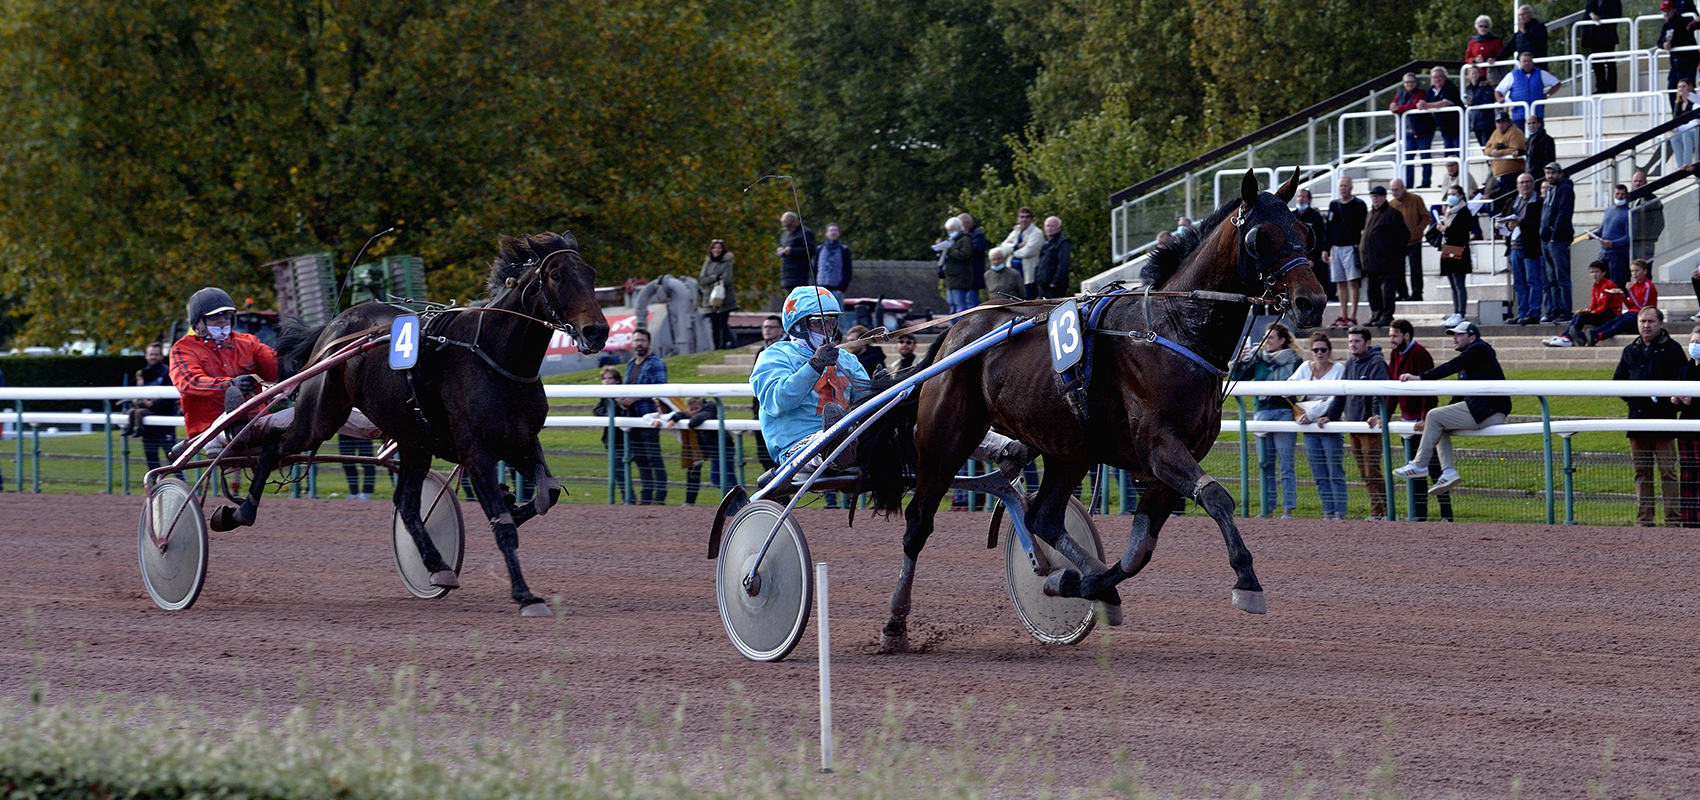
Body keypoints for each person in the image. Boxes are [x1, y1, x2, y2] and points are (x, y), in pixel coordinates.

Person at [751, 286, 1033, 477]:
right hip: (798, 447)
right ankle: (834, 446)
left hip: (858, 439)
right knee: (834, 438)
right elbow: (777, 401)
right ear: (797, 325)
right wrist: (813, 366)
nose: (828, 330)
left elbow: (867, 405)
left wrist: (877, 389)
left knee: (935, 424)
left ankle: (1007, 447)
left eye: (831, 322)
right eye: (818, 323)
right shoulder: (774, 357)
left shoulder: (846, 360)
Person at [1392, 321, 1511, 495]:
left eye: (1459, 335)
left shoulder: (1479, 349)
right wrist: (1445, 411)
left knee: (1434, 416)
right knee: (1439, 421)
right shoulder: (1472, 356)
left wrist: (1421, 378)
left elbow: (1450, 366)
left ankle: (1420, 465)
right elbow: (1459, 394)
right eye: (1453, 335)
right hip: (1486, 411)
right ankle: (1448, 471)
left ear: (1472, 337)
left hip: (1489, 412)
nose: (1454, 338)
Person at [169, 287, 279, 442]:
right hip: (210, 429)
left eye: (227, 315)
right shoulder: (183, 349)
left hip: (256, 419)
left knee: (301, 416)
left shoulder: (248, 342)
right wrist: (230, 385)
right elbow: (189, 382)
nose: (222, 320)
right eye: (214, 317)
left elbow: (275, 368)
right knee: (240, 429)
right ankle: (239, 429)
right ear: (198, 323)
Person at [1615, 306, 1686, 526]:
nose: (1646, 326)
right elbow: (1619, 381)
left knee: (1668, 472)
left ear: (1660, 324)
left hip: (1663, 421)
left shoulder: (1672, 349)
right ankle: (1645, 520)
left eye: (1650, 322)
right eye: (1642, 322)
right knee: (1642, 473)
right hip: (1637, 420)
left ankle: (1673, 520)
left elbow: (1682, 380)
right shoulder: (1630, 350)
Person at [1231, 323, 1302, 518]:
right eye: (1266, 337)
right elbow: (1238, 378)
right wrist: (1239, 360)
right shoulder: (1258, 358)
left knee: (1286, 464)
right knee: (1265, 464)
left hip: (1285, 413)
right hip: (1262, 413)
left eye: (1271, 337)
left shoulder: (1295, 360)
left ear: (1281, 340)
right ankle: (1267, 509)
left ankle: (1288, 510)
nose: (1266, 341)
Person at [1319, 326, 1390, 520]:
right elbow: (1342, 394)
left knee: (1372, 470)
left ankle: (1386, 511)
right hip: (1354, 425)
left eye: (1357, 341)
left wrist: (1376, 414)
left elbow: (1380, 392)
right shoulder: (1351, 362)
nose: (1353, 345)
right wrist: (1330, 416)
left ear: (1367, 342)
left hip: (1369, 426)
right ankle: (1377, 512)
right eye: (1350, 341)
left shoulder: (1376, 362)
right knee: (1364, 472)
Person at [1387, 320, 1452, 521]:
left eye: (1395, 336)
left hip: (1424, 424)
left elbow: (1428, 390)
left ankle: (1447, 516)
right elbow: (1392, 388)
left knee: (1434, 471)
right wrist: (1385, 415)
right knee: (1414, 472)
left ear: (1406, 336)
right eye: (1390, 336)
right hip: (1408, 424)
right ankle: (1419, 517)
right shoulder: (1394, 354)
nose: (1391, 340)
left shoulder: (1420, 354)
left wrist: (1425, 418)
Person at [1290, 332, 1348, 521]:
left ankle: (1340, 512)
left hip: (1328, 425)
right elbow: (1289, 386)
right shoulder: (1305, 367)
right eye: (1316, 350)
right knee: (1319, 473)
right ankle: (1328, 512)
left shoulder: (1338, 368)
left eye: (1323, 349)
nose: (1319, 353)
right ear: (1311, 352)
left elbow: (1335, 398)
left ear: (1329, 351)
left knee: (1335, 471)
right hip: (1309, 427)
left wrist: (1313, 413)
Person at [622, 328, 669, 504]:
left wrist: (636, 397)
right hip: (632, 417)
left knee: (653, 457)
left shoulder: (656, 363)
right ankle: (646, 494)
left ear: (648, 343)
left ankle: (660, 496)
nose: (639, 343)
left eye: (642, 340)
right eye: (636, 340)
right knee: (640, 458)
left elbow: (662, 389)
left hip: (650, 417)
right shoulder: (630, 363)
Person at [1359, 185, 1407, 327]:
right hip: (1370, 262)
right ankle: (1376, 314)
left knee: (1387, 291)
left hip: (1387, 262)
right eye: (1373, 196)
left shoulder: (1393, 214)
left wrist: (1391, 253)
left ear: (1384, 197)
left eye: (1377, 196)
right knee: (1373, 292)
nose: (1375, 199)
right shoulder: (1370, 214)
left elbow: (1403, 236)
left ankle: (1387, 315)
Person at [126, 341, 178, 471]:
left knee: (173, 459)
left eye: (156, 354)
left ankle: (184, 485)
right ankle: (154, 488)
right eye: (151, 354)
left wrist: (153, 404)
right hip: (147, 422)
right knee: (151, 459)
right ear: (146, 355)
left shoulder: (167, 372)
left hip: (164, 420)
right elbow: (139, 392)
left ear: (161, 356)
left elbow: (170, 397)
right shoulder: (143, 372)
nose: (153, 357)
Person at [1544, 260, 1623, 347]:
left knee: (1582, 317)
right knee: (1578, 315)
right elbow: (1593, 304)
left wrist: (1591, 312)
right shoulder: (1595, 285)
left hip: (1610, 314)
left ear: (1603, 273)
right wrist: (1587, 310)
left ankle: (1567, 338)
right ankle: (1564, 336)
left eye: (1597, 272)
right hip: (1601, 313)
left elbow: (1604, 307)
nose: (1594, 274)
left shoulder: (1608, 285)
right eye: (1592, 272)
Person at [1503, 172, 1546, 324]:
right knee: (1519, 283)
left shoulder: (1539, 202)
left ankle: (1534, 313)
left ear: (1533, 184)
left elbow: (1540, 226)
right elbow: (1505, 219)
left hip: (1531, 247)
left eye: (1528, 182)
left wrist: (1521, 223)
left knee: (1533, 281)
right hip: (1514, 247)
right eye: (1522, 183)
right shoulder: (1513, 202)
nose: (1525, 185)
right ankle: (1522, 313)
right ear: (1517, 186)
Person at [666, 397, 724, 507]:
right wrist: (674, 419)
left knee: (721, 478)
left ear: (701, 406)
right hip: (709, 450)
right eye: (691, 410)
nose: (694, 412)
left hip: (722, 449)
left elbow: (701, 416)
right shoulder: (695, 411)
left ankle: (738, 502)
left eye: (696, 408)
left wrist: (691, 423)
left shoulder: (709, 409)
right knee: (714, 477)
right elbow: (683, 414)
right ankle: (689, 502)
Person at [1325, 176, 1367, 326]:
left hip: (1351, 246)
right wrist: (1326, 248)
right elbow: (1328, 229)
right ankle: (1342, 315)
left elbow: (1364, 227)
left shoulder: (1359, 205)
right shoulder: (1334, 205)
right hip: (1336, 247)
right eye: (1341, 186)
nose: (1343, 188)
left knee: (1353, 282)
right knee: (1340, 283)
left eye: (1345, 186)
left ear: (1351, 187)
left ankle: (1353, 315)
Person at [1431, 192, 1476, 327]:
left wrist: (1446, 229)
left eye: (1454, 194)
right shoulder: (1449, 212)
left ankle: (1461, 312)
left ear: (1461, 196)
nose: (1451, 196)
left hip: (1459, 251)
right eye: (1449, 194)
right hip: (1448, 249)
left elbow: (1462, 232)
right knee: (1452, 284)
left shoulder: (1464, 212)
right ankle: (1456, 311)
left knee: (1459, 283)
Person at [593, 366, 635, 504]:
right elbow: (597, 411)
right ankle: (628, 498)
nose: (606, 381)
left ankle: (639, 499)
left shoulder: (625, 394)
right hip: (611, 438)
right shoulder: (605, 396)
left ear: (617, 380)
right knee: (619, 472)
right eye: (604, 379)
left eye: (610, 378)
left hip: (629, 437)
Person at [1540, 162, 1576, 322]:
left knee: (1562, 277)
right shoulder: (1550, 190)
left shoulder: (1565, 189)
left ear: (1560, 173)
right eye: (1547, 173)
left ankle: (1565, 311)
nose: (1550, 176)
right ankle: (1555, 309)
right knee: (1551, 278)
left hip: (1557, 239)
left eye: (1553, 173)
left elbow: (1563, 214)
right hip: (1546, 239)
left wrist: (1555, 235)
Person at [1416, 67, 1463, 187]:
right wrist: (1421, 104)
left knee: (1458, 156)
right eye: (1434, 77)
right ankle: (1450, 182)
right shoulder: (1431, 89)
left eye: (1439, 77)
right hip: (1445, 129)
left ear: (1445, 77)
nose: (1437, 79)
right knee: (1448, 157)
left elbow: (1445, 102)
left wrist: (1426, 105)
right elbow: (1425, 103)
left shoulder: (1450, 87)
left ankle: (1461, 181)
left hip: (1457, 127)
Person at [1593, 258, 1658, 342]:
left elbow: (1641, 306)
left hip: (1644, 314)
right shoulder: (1634, 285)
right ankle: (1593, 333)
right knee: (1614, 320)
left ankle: (1600, 336)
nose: (1634, 274)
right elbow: (1631, 306)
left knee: (1621, 323)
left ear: (1645, 271)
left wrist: (1630, 292)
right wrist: (1623, 296)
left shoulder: (1647, 286)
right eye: (1632, 271)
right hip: (1633, 312)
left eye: (1636, 271)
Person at [752, 315, 784, 470]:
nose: (767, 330)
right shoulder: (761, 351)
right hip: (762, 409)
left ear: (781, 329)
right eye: (765, 327)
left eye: (771, 327)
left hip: (781, 410)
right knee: (765, 458)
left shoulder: (788, 348)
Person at [1386, 179, 1427, 301]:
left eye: (1397, 189)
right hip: (1398, 243)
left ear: (1403, 188)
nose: (1395, 192)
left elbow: (1426, 217)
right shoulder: (1391, 204)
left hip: (1414, 240)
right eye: (1392, 190)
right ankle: (1402, 293)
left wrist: (1418, 230)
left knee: (1415, 269)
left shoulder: (1415, 199)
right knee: (1398, 269)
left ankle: (1417, 293)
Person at [1495, 52, 1558, 129]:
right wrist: (1499, 99)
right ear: (1520, 63)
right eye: (1524, 61)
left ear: (1532, 62)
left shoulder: (1541, 73)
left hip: (1536, 115)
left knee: (1538, 139)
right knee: (1519, 139)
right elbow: (1498, 91)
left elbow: (1557, 84)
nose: (1527, 63)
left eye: (1529, 61)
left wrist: (1547, 95)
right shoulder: (1512, 75)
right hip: (1519, 116)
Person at [993, 207, 1045, 299]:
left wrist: (1011, 251)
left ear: (1031, 219)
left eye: (1027, 217)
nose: (1024, 219)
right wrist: (1015, 247)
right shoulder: (1015, 232)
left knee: (1028, 303)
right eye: (1022, 217)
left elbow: (1027, 252)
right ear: (1018, 219)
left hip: (1028, 276)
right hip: (1012, 275)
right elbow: (1002, 249)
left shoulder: (1037, 233)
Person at [1677, 326, 1700, 526]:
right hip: (1685, 426)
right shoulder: (1686, 366)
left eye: (1698, 343)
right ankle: (1689, 520)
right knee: (1688, 475)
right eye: (1692, 342)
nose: (1694, 346)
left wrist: (1694, 402)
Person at [1293, 188, 1333, 301]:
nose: (1301, 199)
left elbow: (1320, 238)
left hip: (1311, 258)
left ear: (1309, 200)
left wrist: (1313, 259)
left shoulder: (1315, 216)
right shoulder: (1291, 216)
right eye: (1299, 196)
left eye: (1304, 196)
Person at [1659, 0, 1699, 110]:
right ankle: (1676, 117)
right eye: (1664, 11)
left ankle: (1690, 117)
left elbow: (1684, 35)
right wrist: (1664, 44)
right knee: (1672, 89)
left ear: (1674, 10)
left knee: (1688, 91)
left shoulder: (1683, 21)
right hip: (1675, 65)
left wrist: (1672, 43)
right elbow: (1659, 42)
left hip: (1688, 62)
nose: (1666, 13)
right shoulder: (1666, 26)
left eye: (1668, 10)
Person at [1391, 73, 1430, 189]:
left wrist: (1399, 108)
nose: (1409, 84)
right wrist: (1395, 108)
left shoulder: (1420, 92)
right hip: (1408, 132)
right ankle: (1408, 184)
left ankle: (1426, 183)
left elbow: (1414, 105)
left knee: (1425, 157)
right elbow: (1393, 106)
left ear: (1416, 83)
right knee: (1408, 159)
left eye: (1412, 82)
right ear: (1403, 84)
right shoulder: (1400, 94)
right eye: (1407, 82)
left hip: (1423, 130)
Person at [1590, 183, 1633, 288]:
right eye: (1617, 194)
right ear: (1613, 194)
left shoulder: (1629, 213)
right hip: (1604, 253)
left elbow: (1629, 236)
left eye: (1622, 194)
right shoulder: (1609, 210)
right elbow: (1602, 229)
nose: (1619, 196)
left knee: (1616, 283)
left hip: (1618, 254)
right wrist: (1593, 235)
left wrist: (1613, 244)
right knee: (1602, 282)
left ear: (1626, 196)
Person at [699, 238, 737, 350]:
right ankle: (716, 346)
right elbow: (702, 279)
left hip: (724, 297)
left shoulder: (727, 262)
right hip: (709, 297)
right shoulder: (708, 263)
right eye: (714, 248)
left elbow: (726, 279)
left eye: (719, 248)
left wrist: (714, 282)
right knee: (714, 324)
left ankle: (724, 345)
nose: (717, 250)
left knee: (722, 323)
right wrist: (715, 277)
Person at [815, 223, 854, 332]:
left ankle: (838, 333)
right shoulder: (820, 249)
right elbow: (815, 269)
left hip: (836, 288)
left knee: (838, 313)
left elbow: (847, 270)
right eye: (831, 230)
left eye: (835, 230)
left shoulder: (843, 250)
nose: (833, 233)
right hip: (821, 288)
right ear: (826, 233)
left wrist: (842, 288)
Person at [1484, 112, 1528, 197]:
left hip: (1511, 174)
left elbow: (1515, 150)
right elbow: (1486, 148)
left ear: (1509, 122)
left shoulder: (1515, 132)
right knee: (1488, 196)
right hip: (1496, 174)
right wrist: (1491, 152)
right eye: (1498, 122)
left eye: (1503, 122)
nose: (1500, 125)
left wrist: (1500, 152)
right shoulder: (1495, 133)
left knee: (1508, 198)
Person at [1585, 0, 1624, 94]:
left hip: (1608, 37)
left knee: (1610, 62)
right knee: (1596, 63)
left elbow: (1616, 15)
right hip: (1594, 37)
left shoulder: (1614, 1)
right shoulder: (1591, 1)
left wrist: (1601, 18)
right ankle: (1601, 87)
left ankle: (1611, 88)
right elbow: (1587, 13)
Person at [940, 216, 977, 314]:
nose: (950, 233)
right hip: (951, 278)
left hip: (960, 278)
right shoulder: (952, 241)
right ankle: (953, 326)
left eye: (952, 230)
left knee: (960, 305)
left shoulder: (965, 240)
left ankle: (961, 326)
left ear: (958, 228)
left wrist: (949, 250)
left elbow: (964, 255)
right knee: (952, 304)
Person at [1630, 171, 1665, 267]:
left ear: (1645, 182)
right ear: (1631, 182)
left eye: (1640, 181)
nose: (1637, 183)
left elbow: (1659, 223)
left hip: (1644, 243)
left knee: (1645, 270)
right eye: (1635, 181)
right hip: (1629, 243)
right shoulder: (1629, 199)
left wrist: (1649, 240)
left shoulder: (1652, 199)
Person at [776, 211, 816, 293]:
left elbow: (811, 250)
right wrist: (780, 249)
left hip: (800, 274)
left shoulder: (805, 233)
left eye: (789, 226)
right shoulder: (785, 234)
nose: (787, 229)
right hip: (787, 274)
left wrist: (792, 251)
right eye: (785, 227)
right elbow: (781, 245)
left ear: (795, 222)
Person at [1036, 215, 1071, 298]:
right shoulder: (1046, 242)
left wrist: (1055, 282)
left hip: (1055, 288)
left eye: (1052, 226)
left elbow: (1063, 264)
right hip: (1043, 286)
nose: (1049, 228)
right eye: (1047, 226)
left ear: (1059, 228)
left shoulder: (1063, 243)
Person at [1465, 66, 1499, 148]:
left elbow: (1489, 100)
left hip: (1486, 121)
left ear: (1480, 74)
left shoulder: (1485, 86)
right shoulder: (1468, 88)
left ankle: (1489, 161)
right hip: (1475, 122)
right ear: (1469, 75)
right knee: (1482, 146)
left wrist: (1473, 101)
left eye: (1476, 73)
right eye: (1472, 73)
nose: (1474, 75)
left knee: (1487, 145)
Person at [1464, 15, 1506, 80]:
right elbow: (1467, 58)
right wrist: (1475, 60)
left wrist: (1494, 59)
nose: (1483, 28)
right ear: (1477, 27)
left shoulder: (1496, 40)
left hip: (1493, 74)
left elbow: (1502, 55)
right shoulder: (1473, 41)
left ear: (1489, 28)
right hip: (1477, 75)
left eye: (1486, 26)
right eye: (1481, 26)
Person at [339, 434, 375, 500]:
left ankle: (366, 492)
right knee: (346, 460)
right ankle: (353, 492)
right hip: (345, 429)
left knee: (367, 460)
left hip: (362, 429)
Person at [961, 213, 989, 295]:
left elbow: (975, 250)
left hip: (974, 273)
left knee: (971, 301)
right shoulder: (971, 234)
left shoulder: (977, 235)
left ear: (968, 223)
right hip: (968, 274)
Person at [1674, 79, 1699, 169]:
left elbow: (1694, 123)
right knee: (1674, 138)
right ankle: (1680, 166)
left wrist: (1687, 94)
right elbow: (1676, 120)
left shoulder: (1694, 102)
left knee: (1686, 134)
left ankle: (1687, 164)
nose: (1681, 89)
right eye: (1679, 87)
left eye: (1684, 87)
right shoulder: (1694, 104)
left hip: (1695, 132)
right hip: (1692, 131)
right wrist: (1675, 129)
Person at [1523, 116, 1555, 180]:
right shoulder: (1530, 139)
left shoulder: (1546, 139)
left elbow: (1549, 159)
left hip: (1539, 176)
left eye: (1533, 123)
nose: (1531, 125)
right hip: (1531, 174)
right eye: (1529, 123)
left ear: (1539, 124)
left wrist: (1542, 174)